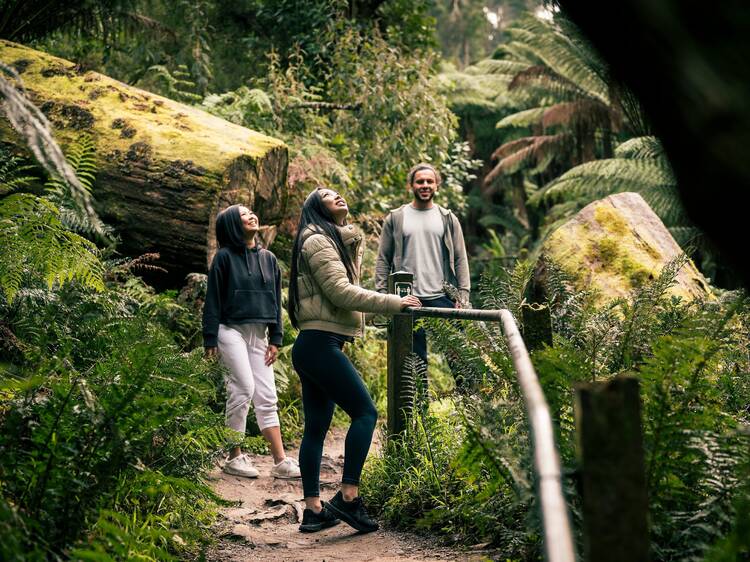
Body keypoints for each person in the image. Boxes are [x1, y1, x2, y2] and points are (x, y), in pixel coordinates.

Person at [288, 187, 422, 534]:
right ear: (315, 207)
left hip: (314, 343)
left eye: (337, 192)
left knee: (316, 428)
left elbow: (341, 284)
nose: (337, 196)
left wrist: (350, 240)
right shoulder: (316, 240)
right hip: (319, 343)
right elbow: (340, 292)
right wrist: (396, 302)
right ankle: (349, 497)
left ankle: (314, 510)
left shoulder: (328, 238)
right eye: (327, 194)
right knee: (366, 412)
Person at [203, 204, 300, 480]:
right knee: (242, 388)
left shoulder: (269, 259)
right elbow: (213, 301)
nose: (251, 215)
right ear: (232, 225)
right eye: (243, 214)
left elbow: (274, 301)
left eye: (250, 212)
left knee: (267, 396)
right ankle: (234, 456)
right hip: (229, 330)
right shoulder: (223, 258)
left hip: (260, 334)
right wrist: (209, 337)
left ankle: (280, 461)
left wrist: (276, 338)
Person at [375, 162, 470, 366]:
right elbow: (383, 259)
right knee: (414, 361)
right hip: (407, 298)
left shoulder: (448, 218)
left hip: (442, 296)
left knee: (460, 356)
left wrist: (462, 294)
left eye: (429, 181)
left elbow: (461, 258)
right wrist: (384, 295)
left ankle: (471, 396)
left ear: (437, 185)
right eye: (420, 182)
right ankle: (419, 399)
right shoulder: (396, 218)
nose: (425, 185)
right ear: (411, 186)